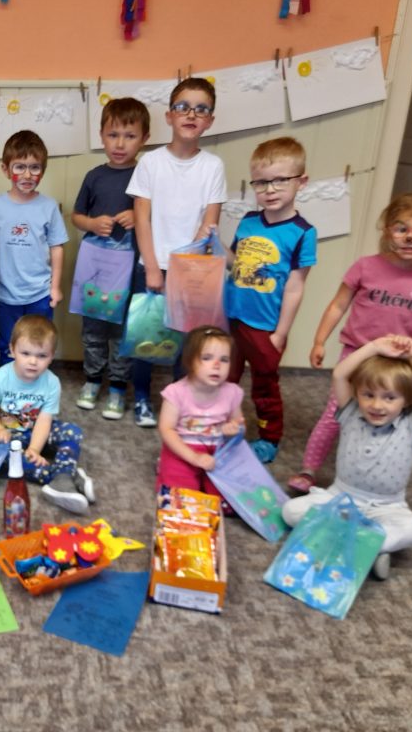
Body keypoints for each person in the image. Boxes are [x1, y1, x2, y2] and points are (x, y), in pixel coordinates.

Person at [289, 192, 412, 493]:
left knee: (388, 418)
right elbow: (338, 305)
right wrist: (319, 341)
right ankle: (308, 469)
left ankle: (371, 474)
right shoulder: (365, 267)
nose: (410, 237)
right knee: (337, 413)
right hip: (357, 355)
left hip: (399, 363)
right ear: (387, 231)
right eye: (401, 228)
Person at [281, 334, 412, 580]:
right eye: (368, 395)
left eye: (390, 397)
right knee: (290, 510)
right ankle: (368, 546)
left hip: (387, 507)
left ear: (406, 399)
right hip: (340, 498)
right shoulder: (350, 413)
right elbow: (340, 374)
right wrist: (374, 347)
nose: (377, 405)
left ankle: (350, 540)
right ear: (357, 394)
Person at [127, 78, 227, 428]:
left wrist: (188, 268)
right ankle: (141, 397)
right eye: (183, 107)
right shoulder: (150, 162)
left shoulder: (213, 166)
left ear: (210, 121)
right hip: (152, 264)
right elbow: (142, 218)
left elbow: (209, 223)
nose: (191, 114)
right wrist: (153, 267)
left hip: (193, 269)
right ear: (169, 116)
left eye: (201, 109)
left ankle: (179, 400)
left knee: (187, 341)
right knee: (146, 336)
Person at [224, 137, 316, 464]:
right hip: (231, 318)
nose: (270, 189)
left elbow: (295, 287)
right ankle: (218, 425)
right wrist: (213, 245)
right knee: (224, 379)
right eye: (261, 182)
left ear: (301, 181)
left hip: (266, 327)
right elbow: (234, 263)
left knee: (265, 386)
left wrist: (281, 333)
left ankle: (269, 436)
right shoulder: (248, 221)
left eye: (280, 180)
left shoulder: (303, 232)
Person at [71, 98, 151, 420]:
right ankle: (92, 380)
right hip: (96, 269)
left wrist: (140, 215)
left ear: (144, 138)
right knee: (92, 329)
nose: (120, 144)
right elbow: (77, 216)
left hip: (131, 273)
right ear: (101, 136)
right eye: (113, 135)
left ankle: (118, 387)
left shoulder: (147, 175)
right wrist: (91, 224)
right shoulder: (94, 176)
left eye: (130, 136)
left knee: (121, 331)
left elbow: (162, 216)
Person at [0, 315, 93, 515]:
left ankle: (63, 478)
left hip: (39, 430)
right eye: (25, 353)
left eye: (42, 356)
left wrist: (34, 449)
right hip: (11, 435)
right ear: (12, 350)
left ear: (52, 356)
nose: (33, 362)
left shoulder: (52, 382)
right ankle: (64, 476)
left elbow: (44, 420)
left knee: (72, 431)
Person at [0, 130, 69, 366]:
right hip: (5, 293)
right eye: (19, 167)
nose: (27, 174)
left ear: (43, 171)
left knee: (39, 344)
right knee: (9, 344)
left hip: (40, 293)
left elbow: (57, 247)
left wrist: (55, 287)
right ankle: (8, 383)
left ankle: (37, 383)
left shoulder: (48, 207)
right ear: (6, 169)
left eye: (35, 167)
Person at [156, 326, 244, 505]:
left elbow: (239, 424)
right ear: (190, 361)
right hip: (183, 451)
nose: (217, 365)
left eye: (224, 359)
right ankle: (166, 467)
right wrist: (194, 457)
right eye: (207, 358)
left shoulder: (232, 392)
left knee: (230, 500)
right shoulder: (176, 392)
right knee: (180, 500)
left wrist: (234, 430)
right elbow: (167, 430)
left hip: (218, 453)